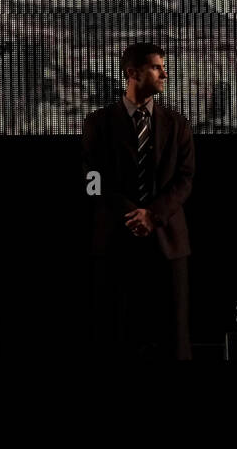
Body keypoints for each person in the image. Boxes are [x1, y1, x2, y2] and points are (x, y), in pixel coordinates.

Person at [82, 42, 195, 359]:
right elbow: (93, 179)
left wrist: (153, 215)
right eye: (157, 67)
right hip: (116, 240)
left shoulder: (178, 124)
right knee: (116, 332)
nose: (165, 73)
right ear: (132, 73)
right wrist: (133, 215)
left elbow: (185, 180)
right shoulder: (99, 123)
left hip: (168, 241)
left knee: (174, 336)